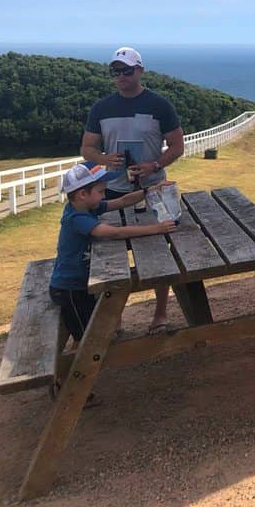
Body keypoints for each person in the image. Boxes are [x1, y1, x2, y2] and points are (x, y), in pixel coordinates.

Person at [80, 47, 184, 333]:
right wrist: (103, 159)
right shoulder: (101, 108)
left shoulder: (160, 105)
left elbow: (177, 146)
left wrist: (155, 164)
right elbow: (87, 147)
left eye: (127, 70)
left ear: (140, 70)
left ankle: (160, 316)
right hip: (110, 193)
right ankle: (115, 322)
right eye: (116, 71)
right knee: (110, 259)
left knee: (159, 255)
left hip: (153, 190)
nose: (122, 76)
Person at [50, 162, 175, 342]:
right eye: (100, 192)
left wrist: (150, 190)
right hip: (70, 288)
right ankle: (74, 367)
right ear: (83, 194)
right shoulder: (76, 218)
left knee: (95, 328)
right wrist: (156, 228)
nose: (104, 195)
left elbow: (123, 201)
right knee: (87, 338)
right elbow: (114, 232)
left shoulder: (87, 207)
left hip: (82, 281)